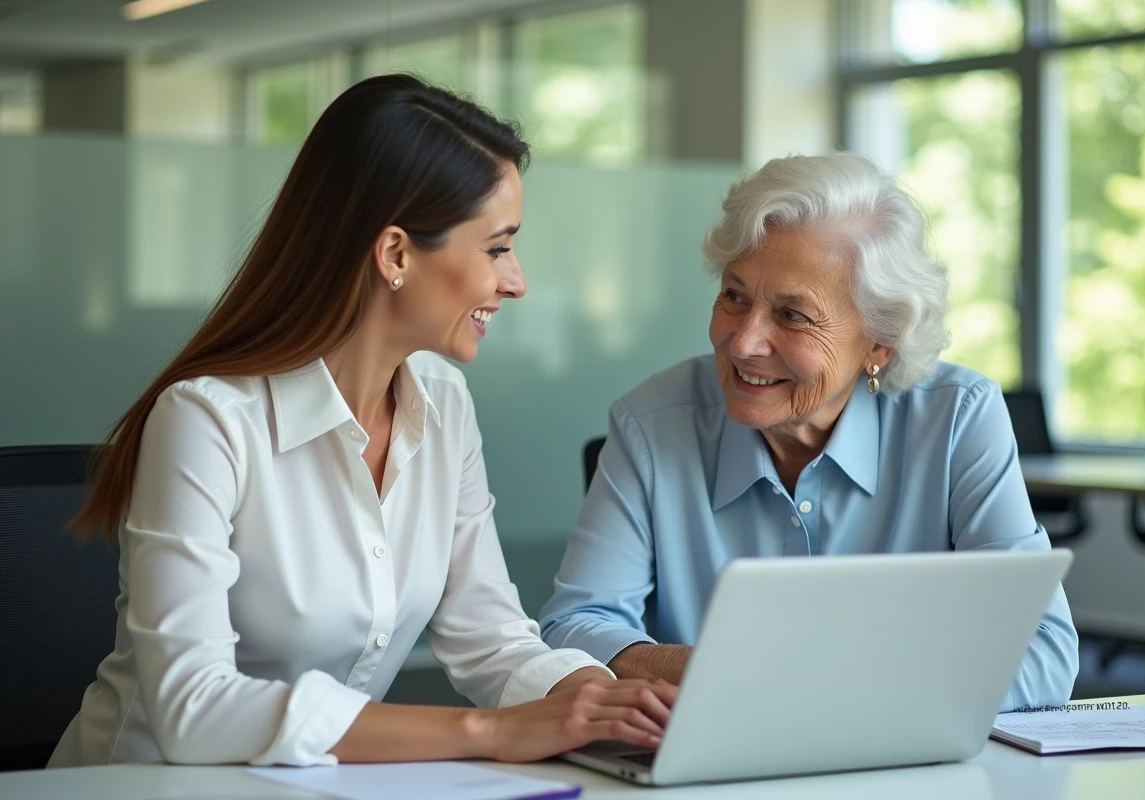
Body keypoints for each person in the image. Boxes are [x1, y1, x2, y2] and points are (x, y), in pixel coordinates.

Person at [49, 74, 674, 769]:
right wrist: (490, 733)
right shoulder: (207, 420)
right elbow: (193, 708)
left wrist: (601, 698)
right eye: (497, 248)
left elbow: (489, 636)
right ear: (396, 254)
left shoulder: (444, 404)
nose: (516, 280)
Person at [538, 152, 1079, 711]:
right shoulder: (652, 422)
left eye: (793, 316)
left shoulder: (957, 418)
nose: (743, 342)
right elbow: (574, 625)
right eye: (734, 297)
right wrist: (711, 668)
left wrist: (844, 695)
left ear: (879, 342)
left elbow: (1043, 650)